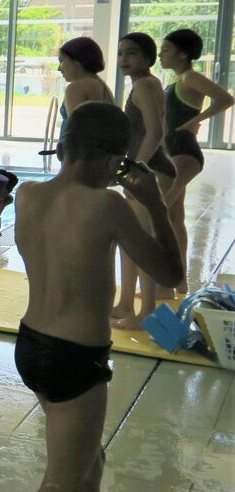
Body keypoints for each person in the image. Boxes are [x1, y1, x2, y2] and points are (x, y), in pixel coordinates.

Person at [0, 102, 182, 492]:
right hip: (75, 360)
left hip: (31, 347)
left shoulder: (30, 195)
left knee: (88, 467)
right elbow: (170, 273)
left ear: (60, 149)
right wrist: (154, 201)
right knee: (61, 488)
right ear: (117, 163)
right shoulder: (108, 206)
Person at [159, 28, 234, 295]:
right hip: (174, 152)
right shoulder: (176, 82)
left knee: (160, 211)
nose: (160, 54)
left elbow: (226, 98)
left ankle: (164, 280)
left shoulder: (190, 77)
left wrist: (195, 121)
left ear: (182, 54)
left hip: (185, 153)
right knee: (174, 217)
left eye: (166, 50)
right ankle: (180, 281)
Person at [111, 32, 175, 329]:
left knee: (143, 242)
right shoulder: (144, 83)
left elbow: (155, 131)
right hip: (146, 168)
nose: (124, 59)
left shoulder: (146, 85)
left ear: (148, 59)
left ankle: (147, 311)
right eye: (121, 52)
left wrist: (137, 170)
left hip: (151, 169)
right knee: (131, 241)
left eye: (132, 53)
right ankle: (127, 303)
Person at [56, 37, 115, 141]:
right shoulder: (102, 85)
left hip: (81, 155)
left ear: (77, 61)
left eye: (61, 61)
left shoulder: (75, 88)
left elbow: (75, 134)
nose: (59, 68)